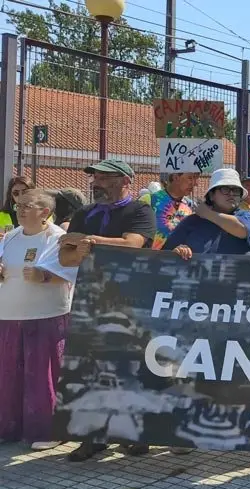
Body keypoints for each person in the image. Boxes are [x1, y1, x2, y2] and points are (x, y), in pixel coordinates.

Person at [58, 159, 154, 461]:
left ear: (126, 181)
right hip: (90, 298)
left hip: (129, 299)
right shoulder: (85, 213)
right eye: (95, 177)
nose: (96, 182)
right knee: (89, 368)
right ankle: (92, 435)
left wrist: (90, 242)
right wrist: (84, 245)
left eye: (105, 177)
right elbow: (66, 254)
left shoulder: (140, 211)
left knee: (128, 367)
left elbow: (133, 244)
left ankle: (132, 433)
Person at [0, 190, 75, 451]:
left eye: (27, 205)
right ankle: (9, 427)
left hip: (46, 315)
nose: (19, 209)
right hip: (9, 316)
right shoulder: (9, 237)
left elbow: (72, 273)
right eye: (18, 205)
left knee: (43, 376)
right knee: (9, 375)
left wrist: (43, 277)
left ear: (45, 212)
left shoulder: (57, 238)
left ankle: (50, 430)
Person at [163, 169, 250, 259]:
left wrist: (207, 213)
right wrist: (177, 252)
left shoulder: (247, 217)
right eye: (225, 189)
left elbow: (242, 230)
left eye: (236, 190)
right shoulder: (192, 222)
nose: (231, 194)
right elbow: (165, 255)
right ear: (211, 195)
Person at [140, 172, 199, 250]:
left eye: (196, 179)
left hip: (178, 261)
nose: (195, 184)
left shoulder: (191, 207)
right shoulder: (148, 201)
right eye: (190, 178)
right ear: (175, 177)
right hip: (149, 259)